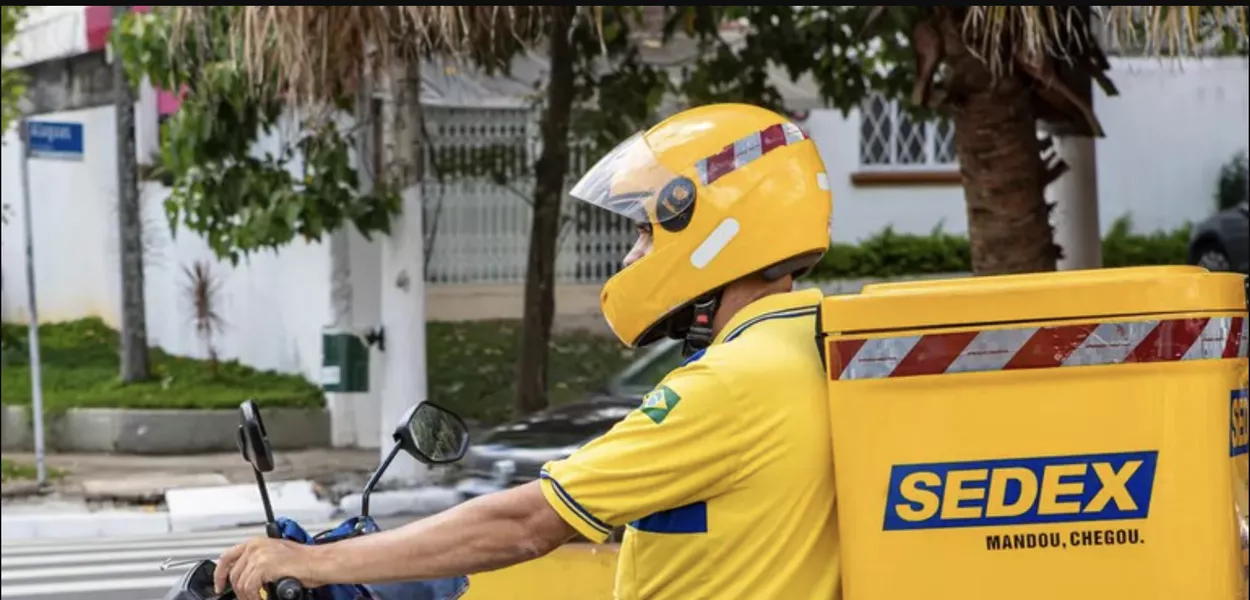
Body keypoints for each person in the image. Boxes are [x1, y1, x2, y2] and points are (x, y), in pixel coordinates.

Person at [214, 103, 841, 600]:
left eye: (646, 233)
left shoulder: (730, 385)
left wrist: (315, 561)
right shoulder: (813, 344)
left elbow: (528, 523)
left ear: (714, 229)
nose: (630, 258)